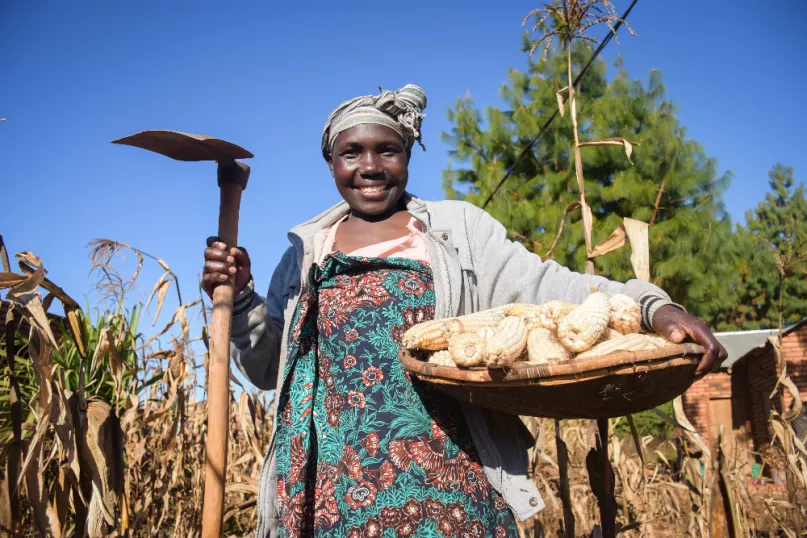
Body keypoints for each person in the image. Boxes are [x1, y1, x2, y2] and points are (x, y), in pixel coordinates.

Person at [202, 84, 728, 538]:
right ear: (331, 163)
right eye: (351, 153)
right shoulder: (304, 255)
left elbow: (549, 284)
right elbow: (270, 370)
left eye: (388, 150)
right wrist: (241, 296)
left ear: (407, 156)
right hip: (331, 493)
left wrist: (649, 307)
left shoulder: (456, 233)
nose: (370, 167)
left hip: (452, 481)